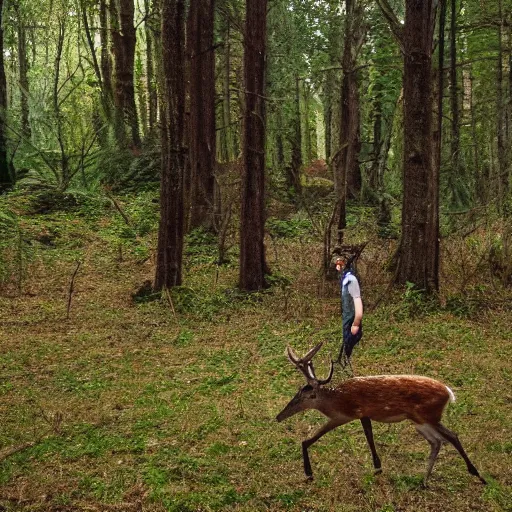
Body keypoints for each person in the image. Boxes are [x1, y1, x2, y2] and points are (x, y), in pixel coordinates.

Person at [334, 255, 363, 366]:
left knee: (350, 342)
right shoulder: (345, 279)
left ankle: (348, 363)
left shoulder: (351, 280)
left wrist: (356, 322)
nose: (337, 267)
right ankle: (345, 361)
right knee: (346, 343)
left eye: (340, 264)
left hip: (352, 319)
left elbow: (357, 301)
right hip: (347, 318)